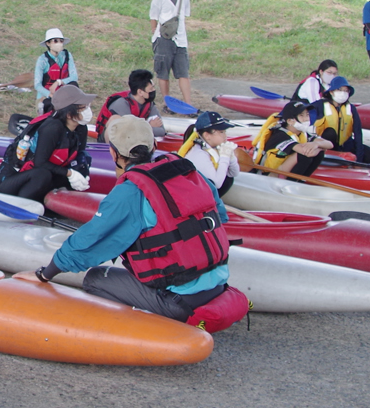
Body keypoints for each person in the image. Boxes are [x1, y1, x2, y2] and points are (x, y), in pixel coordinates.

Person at [14, 115, 248, 331]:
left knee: (96, 278)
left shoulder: (131, 190)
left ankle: (144, 329)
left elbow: (91, 240)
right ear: (154, 147)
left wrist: (45, 274)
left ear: (114, 154)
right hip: (218, 286)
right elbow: (220, 217)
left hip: (178, 301)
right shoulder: (188, 171)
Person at [0, 85, 94, 202]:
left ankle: (53, 206)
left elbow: (79, 154)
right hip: (10, 183)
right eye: (83, 107)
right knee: (42, 174)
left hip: (39, 177)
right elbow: (40, 163)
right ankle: (22, 205)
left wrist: (81, 171)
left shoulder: (81, 128)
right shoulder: (52, 128)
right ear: (69, 114)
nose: (88, 110)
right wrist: (70, 173)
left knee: (83, 162)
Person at [148, 0, 193, 102]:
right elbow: (153, 17)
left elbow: (184, 15)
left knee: (183, 73)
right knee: (163, 73)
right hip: (164, 38)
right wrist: (156, 33)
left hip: (180, 39)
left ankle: (188, 103)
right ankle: (167, 102)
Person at [251, 99, 328, 176]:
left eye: (307, 115)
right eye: (301, 115)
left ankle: (301, 180)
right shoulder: (280, 135)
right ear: (290, 121)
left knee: (319, 153)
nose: (306, 119)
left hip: (282, 171)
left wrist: (316, 144)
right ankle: (293, 181)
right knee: (303, 156)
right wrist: (320, 147)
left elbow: (329, 144)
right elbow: (305, 152)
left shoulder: (301, 133)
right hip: (268, 175)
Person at [311, 75, 370, 163]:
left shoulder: (351, 108)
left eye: (346, 90)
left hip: (346, 144)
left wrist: (359, 157)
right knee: (330, 132)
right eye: (339, 90)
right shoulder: (319, 106)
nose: (343, 93)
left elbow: (358, 133)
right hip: (327, 145)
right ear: (331, 92)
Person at [176, 110, 238, 196]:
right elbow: (217, 184)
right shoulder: (199, 154)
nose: (225, 136)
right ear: (207, 135)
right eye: (221, 132)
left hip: (205, 194)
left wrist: (231, 157)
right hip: (195, 196)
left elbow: (233, 174)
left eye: (225, 132)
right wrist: (224, 157)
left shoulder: (214, 148)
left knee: (228, 179)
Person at [94, 69, 164, 143]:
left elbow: (161, 131)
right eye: (151, 88)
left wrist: (143, 128)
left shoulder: (149, 104)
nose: (154, 90)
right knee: (115, 119)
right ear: (140, 92)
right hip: (110, 140)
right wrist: (148, 125)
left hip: (133, 141)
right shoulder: (121, 103)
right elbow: (129, 131)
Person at [33, 27, 79, 113]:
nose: (59, 44)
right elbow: (37, 85)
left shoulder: (67, 55)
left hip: (63, 94)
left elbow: (74, 76)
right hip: (47, 97)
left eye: (61, 41)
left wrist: (59, 82)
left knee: (74, 85)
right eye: (55, 41)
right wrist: (49, 94)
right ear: (48, 43)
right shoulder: (42, 60)